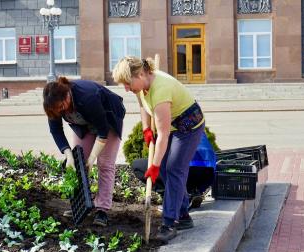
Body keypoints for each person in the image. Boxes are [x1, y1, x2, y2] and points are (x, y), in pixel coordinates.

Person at [112, 56, 205, 242]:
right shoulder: (140, 85)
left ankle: (169, 223)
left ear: (140, 74)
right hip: (172, 125)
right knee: (164, 167)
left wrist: (153, 167)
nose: (126, 89)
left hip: (189, 127)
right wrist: (146, 128)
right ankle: (183, 214)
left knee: (174, 169)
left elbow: (162, 135)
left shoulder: (161, 90)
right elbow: (143, 106)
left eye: (128, 84)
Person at [43, 77, 125, 226]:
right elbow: (56, 131)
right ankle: (79, 205)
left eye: (62, 107)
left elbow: (103, 131)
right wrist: (69, 157)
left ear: (67, 95)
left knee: (105, 164)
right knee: (77, 163)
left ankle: (102, 210)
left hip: (108, 120)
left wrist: (92, 158)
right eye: (57, 110)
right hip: (84, 124)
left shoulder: (87, 96)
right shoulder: (53, 105)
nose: (61, 111)